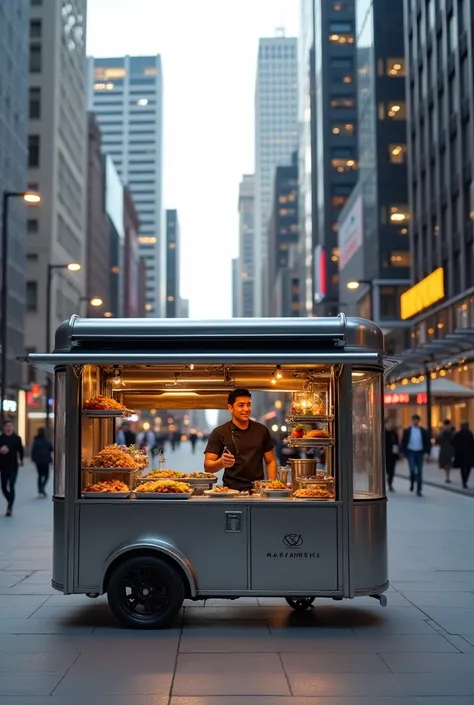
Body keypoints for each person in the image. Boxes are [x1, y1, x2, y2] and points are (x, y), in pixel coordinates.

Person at [204, 388, 277, 491]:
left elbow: (271, 461)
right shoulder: (219, 432)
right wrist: (221, 463)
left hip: (257, 490)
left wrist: (272, 486)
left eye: (249, 404)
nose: (246, 409)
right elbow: (208, 466)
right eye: (241, 405)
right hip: (230, 491)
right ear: (230, 408)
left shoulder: (262, 430)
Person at [400, 414, 431, 496]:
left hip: (420, 452)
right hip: (411, 452)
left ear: (419, 421)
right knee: (412, 470)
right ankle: (412, 483)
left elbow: (427, 442)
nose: (415, 422)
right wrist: (402, 454)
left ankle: (419, 489)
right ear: (412, 421)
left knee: (420, 471)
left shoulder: (423, 431)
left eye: (417, 420)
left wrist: (428, 453)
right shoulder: (407, 430)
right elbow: (403, 442)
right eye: (414, 420)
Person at [0, 420, 24, 516]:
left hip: (13, 465)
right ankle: (10, 500)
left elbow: (20, 450)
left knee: (12, 485)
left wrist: (21, 460)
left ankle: (9, 507)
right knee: (3, 487)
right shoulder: (1, 438)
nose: (8, 428)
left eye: (10, 426)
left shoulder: (17, 438)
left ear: (13, 427)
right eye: (7, 426)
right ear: (4, 427)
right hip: (2, 466)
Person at [31, 427, 53, 498]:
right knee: (46, 476)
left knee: (40, 475)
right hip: (45, 461)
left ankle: (40, 489)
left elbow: (33, 451)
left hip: (38, 461)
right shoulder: (46, 441)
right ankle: (42, 488)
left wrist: (33, 459)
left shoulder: (36, 441)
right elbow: (51, 448)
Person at [452, 421, 474, 489]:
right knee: (468, 468)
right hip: (469, 454)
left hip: (460, 454)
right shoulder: (470, 433)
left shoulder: (458, 434)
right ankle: (465, 480)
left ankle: (464, 481)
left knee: (462, 468)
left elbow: (453, 442)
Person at [436, 419, 455, 483]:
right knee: (448, 463)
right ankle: (447, 477)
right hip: (449, 449)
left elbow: (438, 439)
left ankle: (447, 477)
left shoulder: (442, 431)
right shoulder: (451, 431)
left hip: (444, 449)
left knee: (446, 463)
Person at [384, 418, 399, 492]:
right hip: (384, 455)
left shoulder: (394, 433)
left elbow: (396, 443)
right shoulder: (382, 432)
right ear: (385, 423)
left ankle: (390, 484)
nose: (390, 424)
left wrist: (396, 449)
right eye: (389, 423)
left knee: (391, 471)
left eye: (391, 423)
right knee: (385, 470)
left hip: (392, 455)